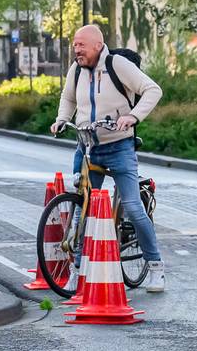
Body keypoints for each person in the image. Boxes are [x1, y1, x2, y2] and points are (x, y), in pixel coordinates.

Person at [51, 25, 166, 291]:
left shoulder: (118, 64)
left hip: (118, 147)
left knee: (133, 207)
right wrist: (61, 120)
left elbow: (153, 90)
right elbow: (68, 98)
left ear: (97, 45)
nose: (76, 50)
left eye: (81, 45)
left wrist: (133, 116)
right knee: (82, 209)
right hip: (87, 146)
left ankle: (156, 266)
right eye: (75, 45)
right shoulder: (76, 70)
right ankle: (77, 270)